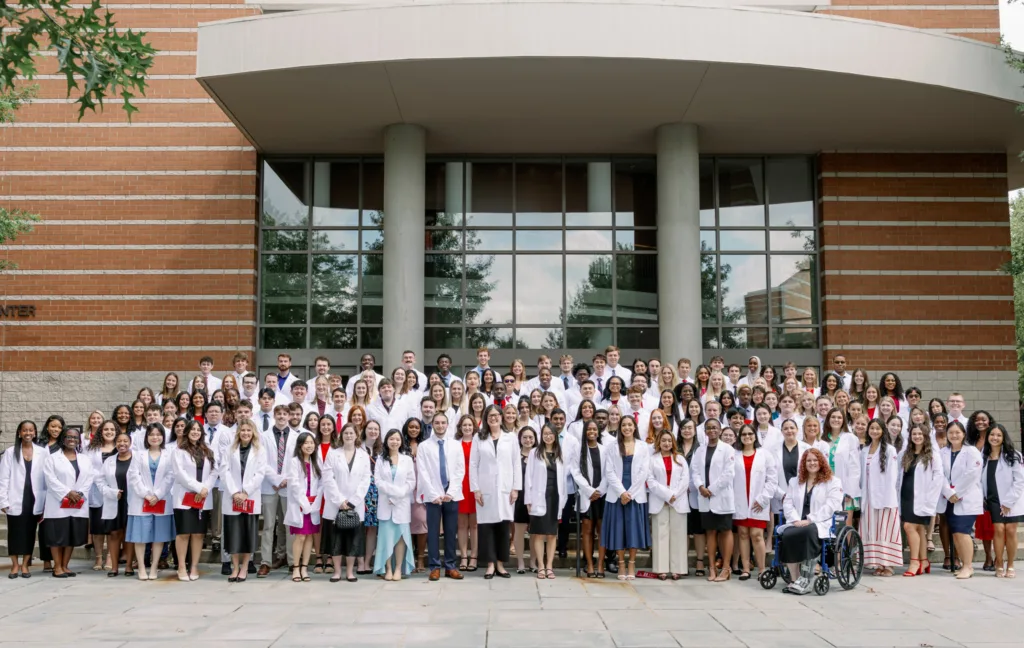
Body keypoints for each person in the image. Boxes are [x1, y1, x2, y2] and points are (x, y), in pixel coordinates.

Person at [779, 448, 843, 594]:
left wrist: (810, 520)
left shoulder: (833, 482)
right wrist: (795, 520)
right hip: (797, 522)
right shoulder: (794, 482)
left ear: (821, 462)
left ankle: (806, 580)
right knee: (788, 535)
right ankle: (794, 580)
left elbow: (831, 506)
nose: (812, 463)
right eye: (809, 460)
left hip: (820, 522)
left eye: (815, 460)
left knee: (808, 532)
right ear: (803, 463)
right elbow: (787, 503)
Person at [470, 404, 521, 579]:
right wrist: (475, 489)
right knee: (486, 526)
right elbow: (473, 464)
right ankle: (490, 565)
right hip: (485, 488)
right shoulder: (479, 437)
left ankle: (501, 564)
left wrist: (515, 488)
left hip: (505, 488)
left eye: (496, 415)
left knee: (503, 527)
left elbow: (516, 463)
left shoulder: (511, 437)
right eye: (490, 415)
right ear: (486, 418)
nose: (493, 418)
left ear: (501, 417)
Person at [601, 415, 650, 581]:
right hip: (617, 494)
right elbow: (609, 472)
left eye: (630, 425)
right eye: (624, 425)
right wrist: (622, 492)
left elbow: (644, 472)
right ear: (620, 427)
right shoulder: (612, 446)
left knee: (633, 530)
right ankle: (621, 562)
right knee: (619, 530)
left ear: (635, 427)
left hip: (635, 495)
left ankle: (632, 563)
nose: (627, 428)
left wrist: (630, 493)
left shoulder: (643, 447)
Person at [417, 412, 465, 581]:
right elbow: (422, 471)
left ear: (447, 424)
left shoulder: (455, 445)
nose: (440, 425)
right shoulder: (424, 446)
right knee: (433, 532)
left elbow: (460, 470)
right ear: (433, 425)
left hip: (451, 494)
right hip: (433, 495)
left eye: (443, 422)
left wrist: (451, 491)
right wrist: (432, 493)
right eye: (436, 423)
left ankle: (450, 566)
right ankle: (435, 566)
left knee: (451, 531)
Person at [321, 423, 371, 582]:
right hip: (335, 504)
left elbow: (366, 480)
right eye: (346, 433)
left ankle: (350, 571)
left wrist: (353, 501)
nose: (349, 435)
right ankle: (336, 571)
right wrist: (340, 500)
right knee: (336, 540)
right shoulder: (333, 454)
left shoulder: (364, 455)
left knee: (353, 540)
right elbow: (328, 478)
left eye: (351, 433)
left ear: (356, 435)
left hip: (355, 505)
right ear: (341, 435)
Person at [41, 425, 93, 578]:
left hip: (78, 503)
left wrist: (79, 493)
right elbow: (50, 479)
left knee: (71, 535)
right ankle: (57, 567)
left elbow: (89, 478)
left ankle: (65, 566)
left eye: (75, 437)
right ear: (63, 439)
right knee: (57, 537)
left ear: (79, 441)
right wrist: (67, 492)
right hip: (58, 503)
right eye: (69, 437)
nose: (72, 439)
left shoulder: (84, 459)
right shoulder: (52, 458)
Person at [126, 423, 176, 581]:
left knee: (159, 536)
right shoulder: (138, 454)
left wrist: (158, 494)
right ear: (147, 437)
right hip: (142, 500)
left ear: (163, 437)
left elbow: (171, 476)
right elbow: (134, 476)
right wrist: (147, 495)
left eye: (158, 434)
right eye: (152, 434)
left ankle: (154, 567)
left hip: (161, 500)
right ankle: (141, 567)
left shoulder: (169, 455)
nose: (155, 437)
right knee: (140, 536)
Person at [219, 418, 265, 582]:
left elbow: (260, 474)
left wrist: (245, 492)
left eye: (248, 430)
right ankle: (235, 567)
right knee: (233, 535)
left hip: (249, 497)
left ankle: (245, 567)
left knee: (248, 534)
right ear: (238, 432)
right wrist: (235, 493)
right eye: (243, 430)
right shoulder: (229, 450)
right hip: (233, 498)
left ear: (253, 433)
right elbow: (224, 472)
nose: (245, 433)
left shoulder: (260, 450)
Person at [897, 424, 944, 577]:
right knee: (919, 530)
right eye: (914, 434)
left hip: (923, 497)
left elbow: (938, 477)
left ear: (925, 436)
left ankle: (914, 561)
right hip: (906, 495)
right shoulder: (906, 454)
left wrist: (931, 498)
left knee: (909, 527)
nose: (917, 436)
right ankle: (924, 561)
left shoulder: (932, 455)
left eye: (920, 434)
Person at [172, 419, 216, 582]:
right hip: (185, 497)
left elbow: (214, 471)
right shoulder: (179, 451)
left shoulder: (208, 451)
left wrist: (205, 489)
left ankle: (194, 566)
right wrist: (198, 488)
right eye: (193, 430)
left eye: (198, 430)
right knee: (183, 533)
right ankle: (182, 566)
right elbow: (179, 474)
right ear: (187, 432)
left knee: (198, 534)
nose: (196, 432)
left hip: (202, 498)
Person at [691, 418, 735, 582]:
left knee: (725, 531)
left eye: (715, 428)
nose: (712, 430)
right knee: (710, 532)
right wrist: (701, 486)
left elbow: (728, 474)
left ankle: (725, 568)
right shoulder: (700, 450)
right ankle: (711, 568)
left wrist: (712, 489)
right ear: (705, 431)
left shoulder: (727, 449)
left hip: (721, 496)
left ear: (720, 430)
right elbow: (694, 471)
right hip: (705, 497)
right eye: (709, 428)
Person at [0, 421, 45, 578]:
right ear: (19, 433)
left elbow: (46, 478)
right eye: (24, 430)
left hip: (34, 499)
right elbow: (3, 478)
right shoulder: (11, 452)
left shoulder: (42, 452)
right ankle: (14, 565)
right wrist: (3, 501)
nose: (28, 433)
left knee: (30, 532)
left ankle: (25, 565)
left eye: (31, 430)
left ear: (34, 433)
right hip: (15, 498)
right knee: (14, 533)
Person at [732, 424, 776, 580]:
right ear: (740, 437)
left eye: (750, 433)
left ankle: (762, 569)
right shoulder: (734, 454)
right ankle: (745, 569)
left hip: (758, 501)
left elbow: (772, 479)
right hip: (740, 500)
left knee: (757, 535)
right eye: (743, 434)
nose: (747, 436)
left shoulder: (765, 455)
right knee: (743, 534)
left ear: (755, 435)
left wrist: (764, 498)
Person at [941, 421, 982, 579]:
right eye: (951, 432)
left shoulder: (971, 451)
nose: (954, 435)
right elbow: (939, 474)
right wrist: (948, 492)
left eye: (957, 432)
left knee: (962, 532)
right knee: (956, 533)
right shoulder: (943, 452)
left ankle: (968, 566)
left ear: (963, 434)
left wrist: (956, 492)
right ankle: (965, 564)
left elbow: (973, 473)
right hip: (950, 499)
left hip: (966, 498)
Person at [981, 424, 1024, 578]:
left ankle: (1010, 564)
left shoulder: (1014, 455)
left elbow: (1019, 481)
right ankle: (999, 562)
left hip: (1011, 499)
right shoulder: (983, 455)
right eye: (992, 434)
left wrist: (1008, 502)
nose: (995, 438)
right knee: (998, 530)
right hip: (993, 499)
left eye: (999, 435)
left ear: (1004, 437)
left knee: (1011, 531)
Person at [525, 423, 566, 580]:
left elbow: (562, 478)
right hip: (539, 497)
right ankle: (540, 566)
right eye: (545, 433)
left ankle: (549, 566)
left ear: (555, 435)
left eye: (551, 433)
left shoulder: (560, 454)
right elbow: (528, 477)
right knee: (539, 534)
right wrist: (528, 499)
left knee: (552, 534)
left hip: (555, 496)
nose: (548, 436)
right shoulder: (535, 452)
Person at [373, 429, 416, 580]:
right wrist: (393, 492)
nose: (394, 442)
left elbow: (411, 483)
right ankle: (388, 568)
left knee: (400, 538)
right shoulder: (380, 459)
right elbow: (378, 481)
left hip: (402, 505)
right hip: (386, 504)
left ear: (401, 442)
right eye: (391, 439)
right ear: (386, 441)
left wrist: (397, 495)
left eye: (397, 439)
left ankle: (398, 568)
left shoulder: (407, 460)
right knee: (386, 538)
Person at [648, 429, 689, 581]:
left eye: (669, 440)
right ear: (659, 442)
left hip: (678, 501)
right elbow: (650, 481)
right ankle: (661, 569)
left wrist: (674, 495)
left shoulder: (680, 459)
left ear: (673, 442)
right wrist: (666, 495)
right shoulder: (652, 459)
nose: (666, 443)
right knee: (660, 535)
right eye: (663, 440)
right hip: (660, 500)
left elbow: (685, 480)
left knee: (678, 535)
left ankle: (678, 569)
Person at [861, 419, 901, 576]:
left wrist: (888, 496)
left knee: (885, 530)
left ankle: (889, 565)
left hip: (885, 497)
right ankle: (878, 562)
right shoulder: (864, 450)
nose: (875, 431)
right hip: (868, 498)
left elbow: (893, 476)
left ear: (883, 431)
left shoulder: (890, 450)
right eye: (872, 428)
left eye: (878, 429)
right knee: (873, 530)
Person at [571, 420, 608, 578]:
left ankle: (600, 564)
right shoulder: (579, 450)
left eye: (594, 429)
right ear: (584, 431)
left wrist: (599, 490)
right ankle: (590, 564)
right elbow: (575, 471)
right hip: (587, 495)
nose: (591, 431)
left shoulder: (605, 449)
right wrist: (589, 490)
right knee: (587, 530)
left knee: (602, 531)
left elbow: (609, 472)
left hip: (602, 495)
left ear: (598, 432)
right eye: (589, 429)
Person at [97, 430, 135, 577]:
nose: (122, 444)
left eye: (125, 441)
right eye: (119, 441)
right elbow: (100, 481)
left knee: (129, 533)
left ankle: (129, 566)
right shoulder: (109, 461)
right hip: (114, 500)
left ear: (130, 443)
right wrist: (111, 492)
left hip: (132, 500)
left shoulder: (137, 459)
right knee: (114, 534)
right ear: (115, 443)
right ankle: (114, 567)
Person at [86, 419, 117, 572]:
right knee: (97, 528)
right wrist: (101, 478)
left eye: (112, 429)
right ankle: (98, 557)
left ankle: (111, 556)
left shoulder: (121, 447)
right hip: (97, 491)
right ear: (100, 431)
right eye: (106, 429)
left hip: (115, 492)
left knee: (112, 528)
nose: (109, 432)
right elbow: (87, 468)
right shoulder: (91, 448)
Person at [456, 415, 479, 572]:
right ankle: (464, 556)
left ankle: (474, 556)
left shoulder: (479, 443)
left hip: (475, 484)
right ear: (460, 427)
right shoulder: (455, 444)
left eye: (470, 425)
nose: (467, 428)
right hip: (460, 485)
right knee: (462, 524)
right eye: (464, 425)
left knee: (475, 525)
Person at [513, 425, 537, 574]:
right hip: (520, 498)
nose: (528, 440)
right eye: (525, 437)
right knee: (519, 531)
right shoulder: (516, 456)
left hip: (536, 498)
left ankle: (533, 562)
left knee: (535, 532)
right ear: (520, 439)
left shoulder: (539, 454)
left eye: (531, 437)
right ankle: (520, 561)